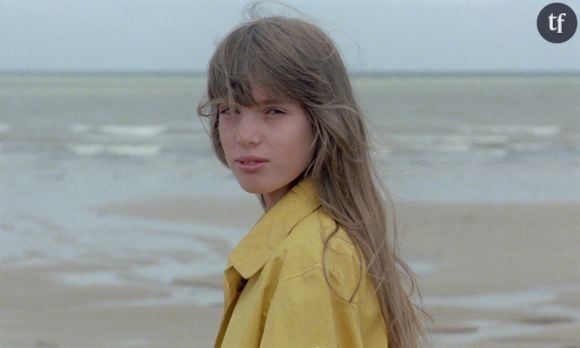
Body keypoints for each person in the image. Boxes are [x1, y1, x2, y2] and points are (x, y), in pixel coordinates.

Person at [198, 14, 426, 348]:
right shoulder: (306, 243)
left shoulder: (310, 259)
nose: (245, 135)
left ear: (323, 121)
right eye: (229, 110)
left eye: (273, 111)